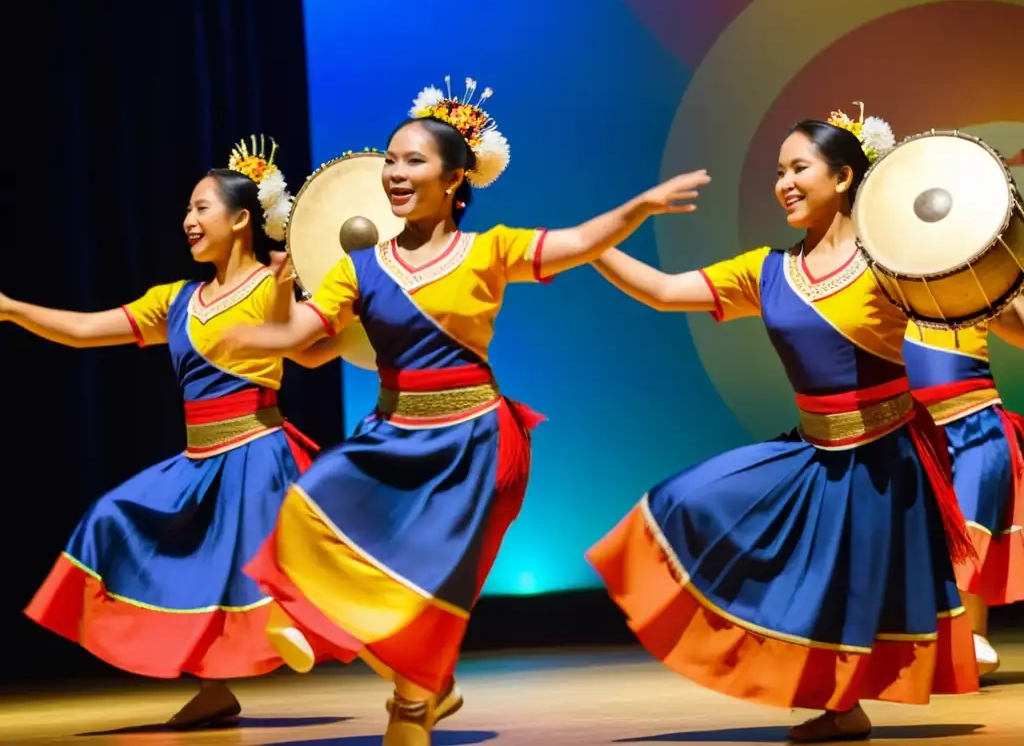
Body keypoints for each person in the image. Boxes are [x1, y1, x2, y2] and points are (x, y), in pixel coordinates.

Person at [213, 75, 711, 746]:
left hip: (474, 441)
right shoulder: (359, 268)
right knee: (311, 499)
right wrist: (260, 333)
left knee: (432, 579)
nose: (394, 171)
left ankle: (413, 703)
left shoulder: (489, 249)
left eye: (413, 160)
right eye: (390, 159)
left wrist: (639, 207)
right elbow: (305, 341)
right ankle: (377, 653)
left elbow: (581, 241)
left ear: (454, 179)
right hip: (393, 437)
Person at [585, 105, 980, 743]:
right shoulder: (769, 269)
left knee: (848, 593)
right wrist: (595, 242)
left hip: (882, 459)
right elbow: (662, 291)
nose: (784, 183)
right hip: (817, 450)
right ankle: (841, 708)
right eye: (778, 171)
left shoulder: (892, 262)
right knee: (685, 501)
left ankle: (843, 708)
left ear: (845, 177)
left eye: (799, 168)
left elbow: (977, 294)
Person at [3, 138, 324, 729]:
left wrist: (284, 286)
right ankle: (215, 688)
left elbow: (298, 344)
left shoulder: (271, 284)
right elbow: (83, 331)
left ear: (241, 219)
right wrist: (11, 309)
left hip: (257, 449)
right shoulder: (176, 301)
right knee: (114, 518)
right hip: (199, 457)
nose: (189, 221)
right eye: (187, 210)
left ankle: (409, 673)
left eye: (201, 208)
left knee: (258, 564)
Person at [904, 299, 1024, 677]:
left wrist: (1010, 283)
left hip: (975, 422)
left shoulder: (979, 278)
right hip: (907, 425)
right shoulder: (879, 271)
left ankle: (968, 634)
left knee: (971, 527)